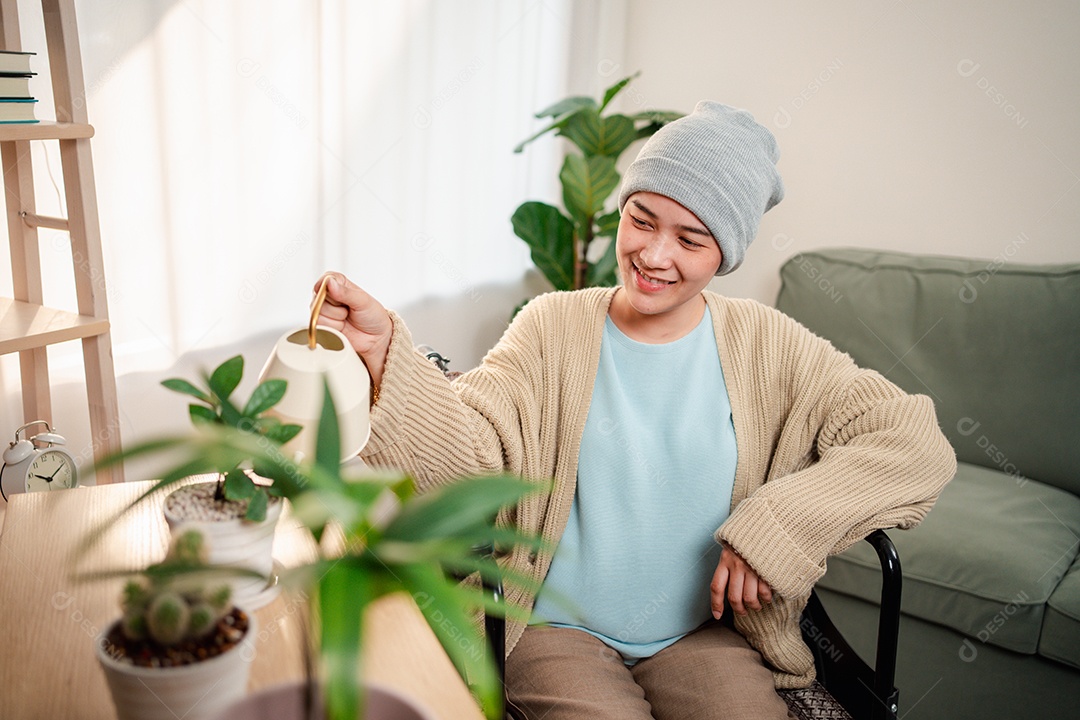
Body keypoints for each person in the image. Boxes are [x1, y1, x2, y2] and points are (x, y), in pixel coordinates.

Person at [313, 101, 957, 720]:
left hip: (699, 634)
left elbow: (911, 442)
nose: (653, 256)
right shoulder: (551, 326)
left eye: (690, 239)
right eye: (641, 220)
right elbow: (473, 459)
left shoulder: (772, 345)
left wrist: (779, 527)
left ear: (725, 254)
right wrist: (385, 356)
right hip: (550, 622)